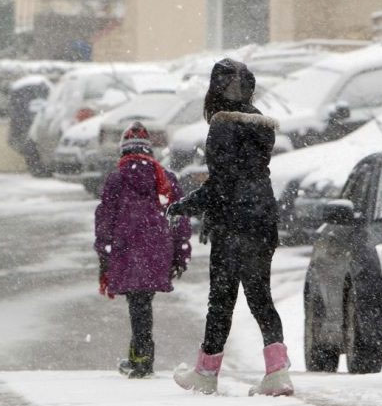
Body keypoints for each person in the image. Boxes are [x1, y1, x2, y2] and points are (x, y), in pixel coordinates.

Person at [167, 58, 294, 396]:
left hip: (234, 224)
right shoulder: (261, 126)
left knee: (221, 301)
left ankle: (206, 374)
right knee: (260, 297)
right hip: (263, 219)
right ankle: (278, 372)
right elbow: (247, 175)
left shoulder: (223, 125)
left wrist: (186, 205)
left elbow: (223, 182)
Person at [94, 121, 192, 379]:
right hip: (157, 250)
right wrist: (180, 253)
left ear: (123, 151)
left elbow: (105, 219)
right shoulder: (166, 178)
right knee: (142, 301)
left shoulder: (117, 178)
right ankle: (140, 355)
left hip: (126, 249)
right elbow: (179, 218)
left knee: (137, 302)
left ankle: (142, 357)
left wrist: (104, 253)